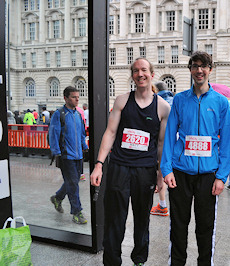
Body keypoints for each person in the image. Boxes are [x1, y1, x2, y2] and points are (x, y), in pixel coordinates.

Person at [90, 58, 170, 266]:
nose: (140, 74)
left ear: (152, 74)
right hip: (119, 167)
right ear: (132, 75)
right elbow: (110, 132)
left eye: (144, 70)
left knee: (142, 218)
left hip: (145, 170)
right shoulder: (122, 100)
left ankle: (139, 260)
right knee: (115, 218)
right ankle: (112, 261)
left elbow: (161, 144)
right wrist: (99, 164)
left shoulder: (162, 107)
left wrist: (160, 175)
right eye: (136, 71)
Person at [160, 51, 230, 265]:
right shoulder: (180, 100)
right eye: (195, 66)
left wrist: (222, 176)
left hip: (209, 175)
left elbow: (227, 141)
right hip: (180, 173)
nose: (199, 70)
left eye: (203, 66)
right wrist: (167, 169)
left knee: (205, 227)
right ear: (190, 69)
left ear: (210, 69)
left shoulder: (220, 102)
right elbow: (170, 135)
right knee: (179, 226)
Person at [48, 86, 88, 224]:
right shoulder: (59, 114)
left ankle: (57, 198)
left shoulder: (78, 114)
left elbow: (82, 134)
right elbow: (53, 135)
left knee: (73, 182)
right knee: (73, 185)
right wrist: (57, 153)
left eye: (78, 97)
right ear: (65, 98)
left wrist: (84, 147)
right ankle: (77, 212)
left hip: (78, 156)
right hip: (66, 156)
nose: (77, 99)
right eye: (73, 97)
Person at [150, 81, 174, 217]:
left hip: (162, 143)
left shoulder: (158, 103)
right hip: (176, 146)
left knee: (161, 172)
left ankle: (163, 205)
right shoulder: (174, 100)